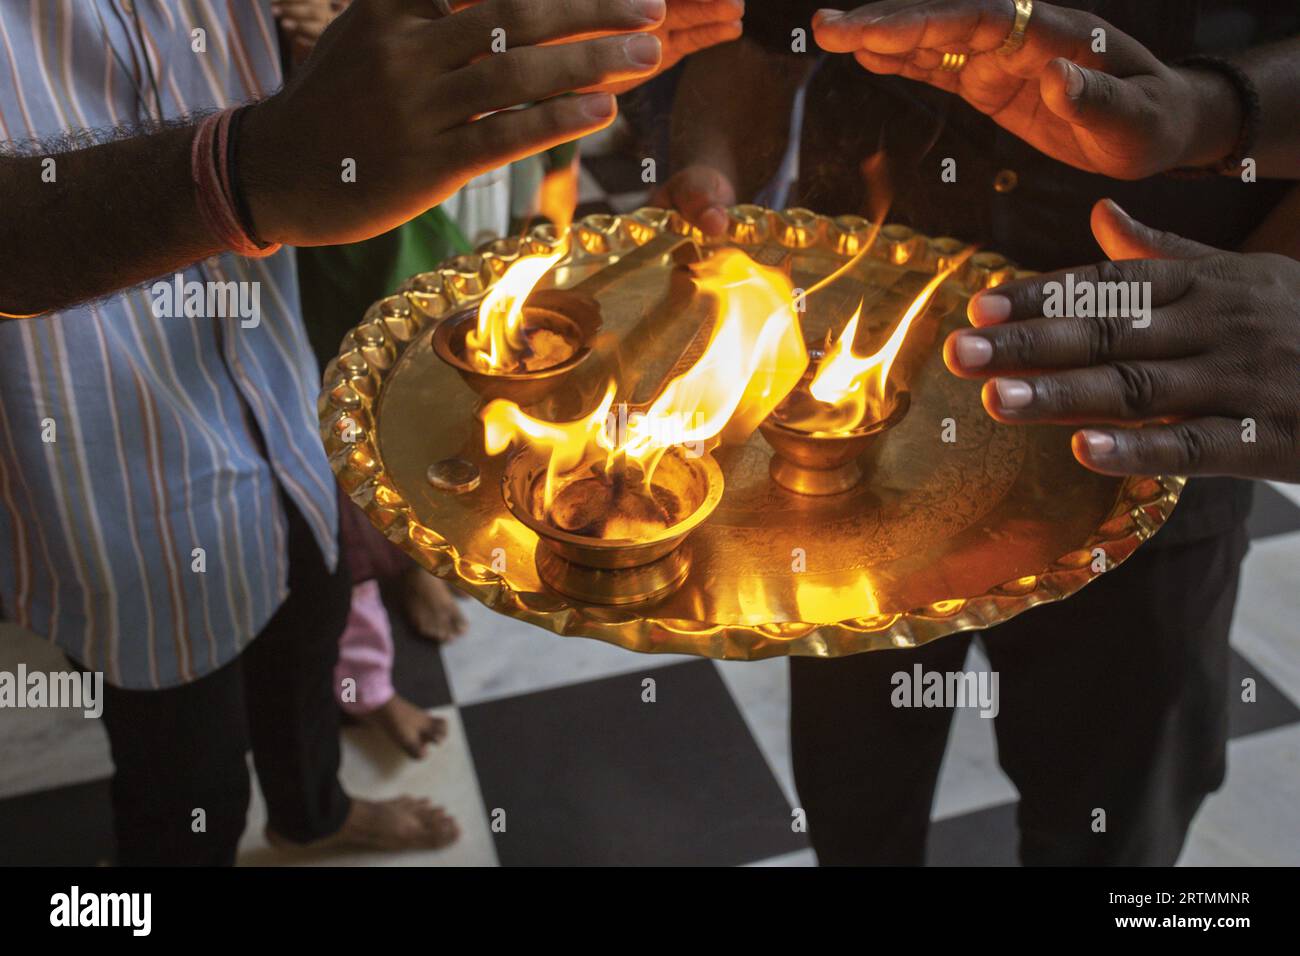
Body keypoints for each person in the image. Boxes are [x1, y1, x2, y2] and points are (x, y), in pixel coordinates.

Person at [0, 0, 738, 865]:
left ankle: (310, 816)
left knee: (309, 625)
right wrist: (244, 168)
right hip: (102, 456)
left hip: (273, 385)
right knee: (182, 757)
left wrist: (426, 50)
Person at [660, 0, 1298, 863]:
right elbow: (765, 38)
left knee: (1113, 815)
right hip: (845, 465)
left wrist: (1256, 241)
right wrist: (707, 168)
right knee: (854, 792)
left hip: (1153, 446)